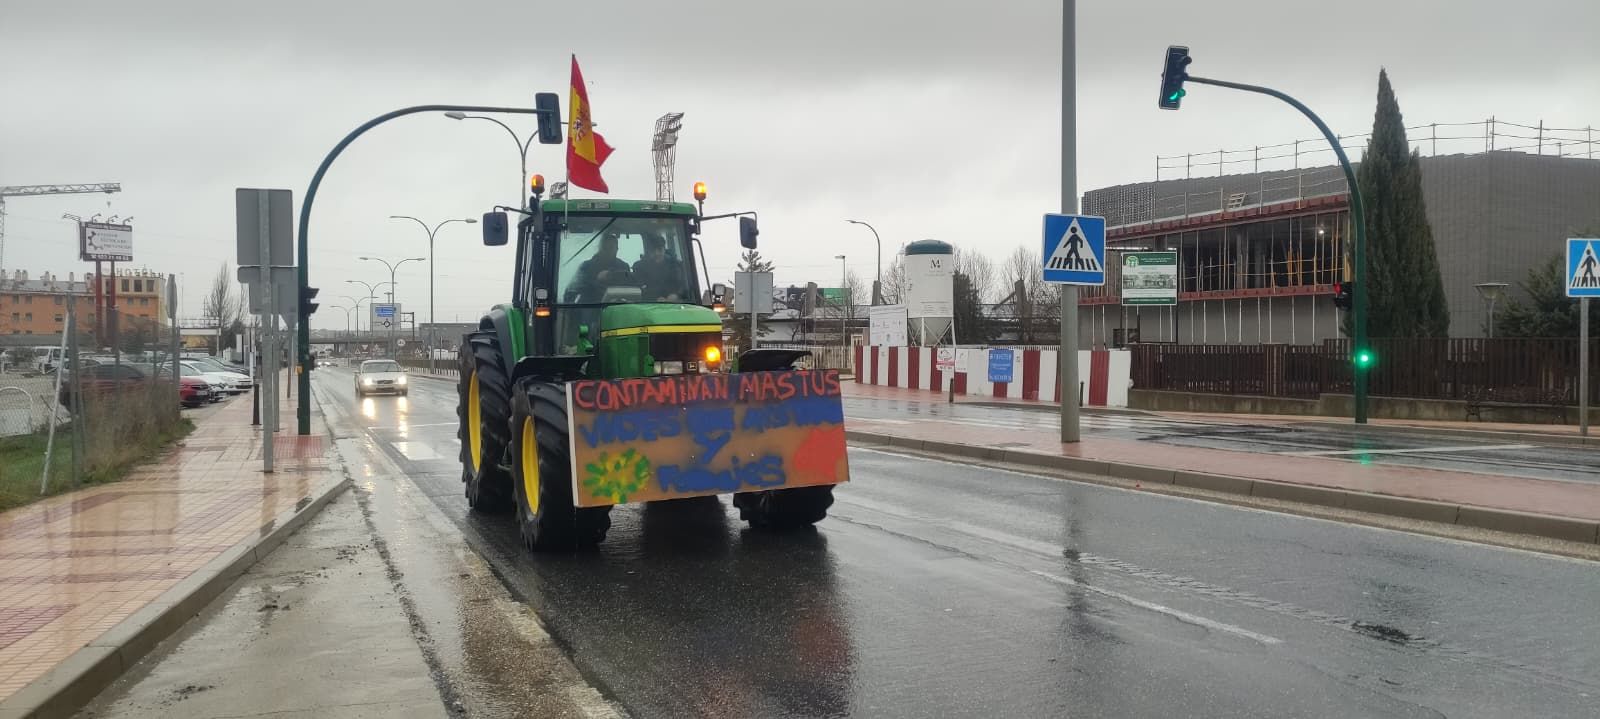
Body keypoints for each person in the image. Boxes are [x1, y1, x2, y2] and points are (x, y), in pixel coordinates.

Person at [567, 232, 631, 303]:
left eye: (611, 248)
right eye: (605, 248)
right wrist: (597, 281)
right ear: (599, 248)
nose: (608, 251)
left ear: (617, 249)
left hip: (616, 307)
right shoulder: (586, 267)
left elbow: (631, 290)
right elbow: (571, 291)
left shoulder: (623, 267)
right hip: (592, 306)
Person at [632, 233, 686, 301]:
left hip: (675, 305)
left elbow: (684, 286)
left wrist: (677, 295)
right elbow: (639, 289)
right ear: (648, 251)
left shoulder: (676, 265)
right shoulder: (639, 267)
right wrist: (654, 298)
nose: (656, 253)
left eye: (659, 249)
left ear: (664, 249)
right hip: (648, 305)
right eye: (653, 250)